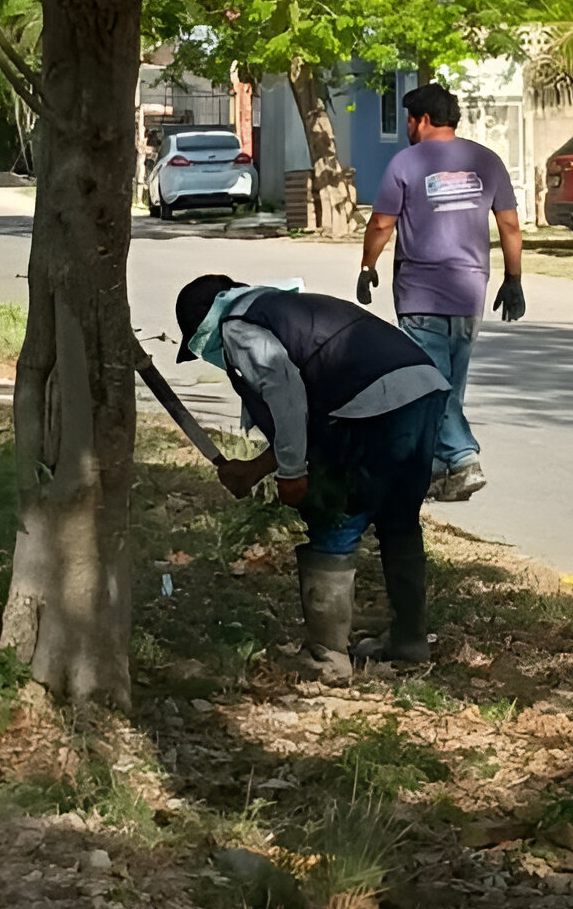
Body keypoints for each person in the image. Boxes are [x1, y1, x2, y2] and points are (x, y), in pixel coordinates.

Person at [176, 273, 447, 675]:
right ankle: (409, 640)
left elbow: (286, 397)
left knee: (335, 513)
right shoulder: (278, 308)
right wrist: (254, 469)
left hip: (371, 405)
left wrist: (291, 473)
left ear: (203, 327)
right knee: (399, 521)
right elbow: (310, 420)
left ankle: (329, 656)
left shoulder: (237, 326)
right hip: (421, 390)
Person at [358, 83, 524, 503]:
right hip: (470, 290)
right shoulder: (486, 161)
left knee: (431, 386)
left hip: (421, 294)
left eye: (410, 120)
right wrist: (513, 279)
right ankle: (433, 472)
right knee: (449, 383)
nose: (407, 128)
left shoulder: (406, 163)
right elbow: (509, 225)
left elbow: (380, 224)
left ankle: (464, 458)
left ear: (424, 120)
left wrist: (367, 267)